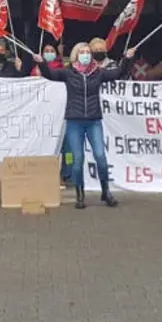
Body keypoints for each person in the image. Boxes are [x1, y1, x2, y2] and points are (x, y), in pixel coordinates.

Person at [35, 41, 136, 209]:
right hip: (74, 122)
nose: (85, 55)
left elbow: (118, 73)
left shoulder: (98, 73)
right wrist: (41, 63)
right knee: (78, 159)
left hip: (93, 121)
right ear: (76, 55)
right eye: (82, 52)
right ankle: (80, 194)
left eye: (87, 52)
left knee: (101, 157)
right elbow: (50, 75)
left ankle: (105, 192)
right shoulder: (68, 72)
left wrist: (127, 58)